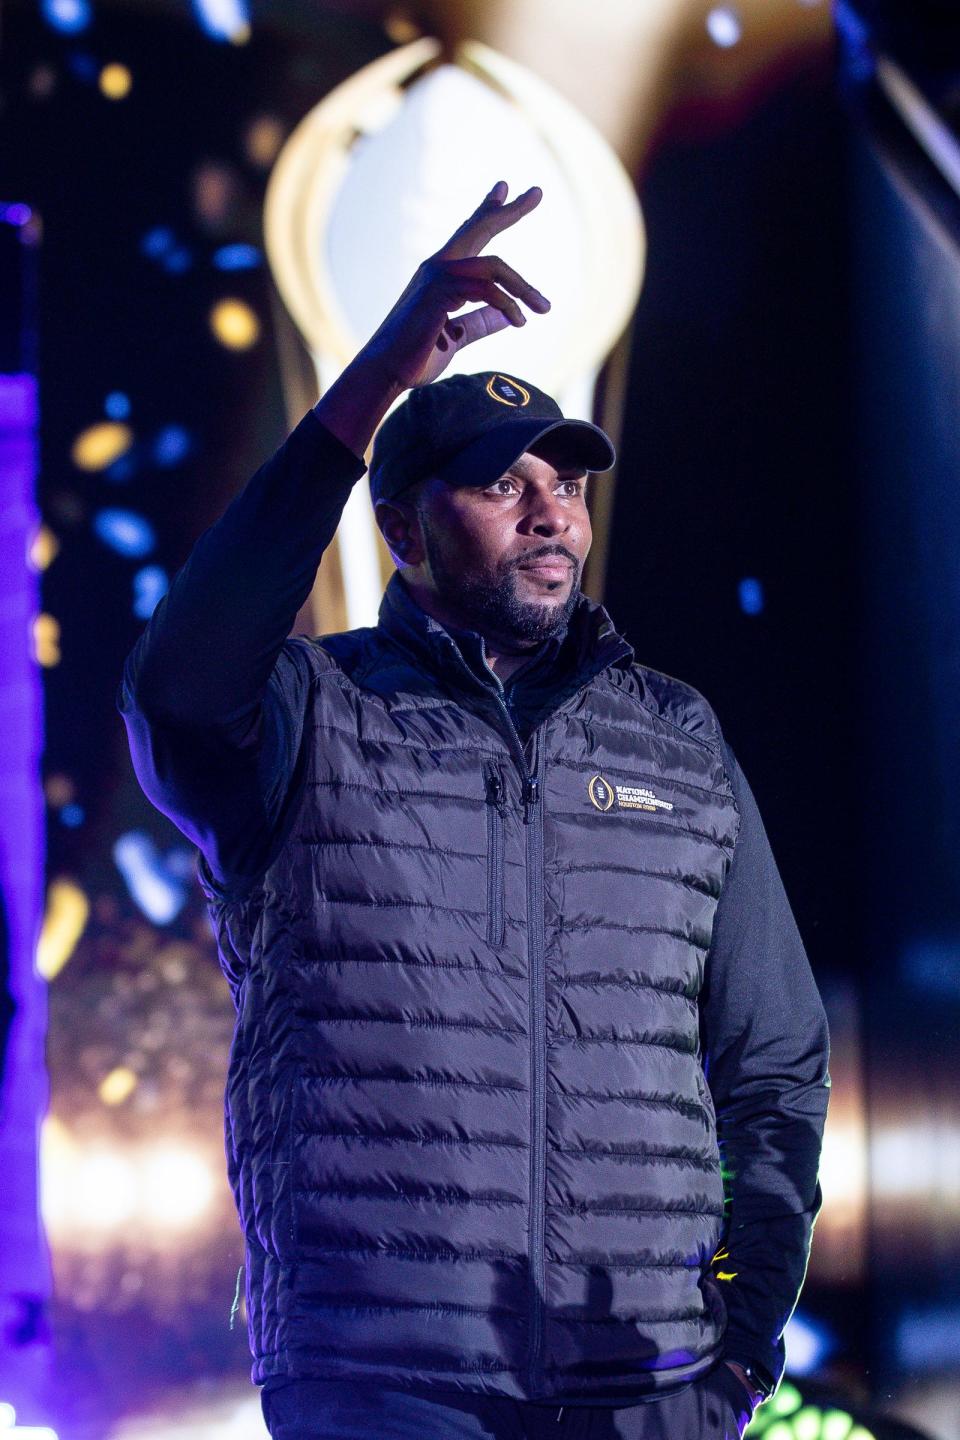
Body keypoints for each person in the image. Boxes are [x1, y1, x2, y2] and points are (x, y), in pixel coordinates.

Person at [118, 180, 831, 1439]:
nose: (551, 508)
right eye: (504, 484)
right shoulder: (306, 713)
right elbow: (175, 684)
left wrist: (737, 1348)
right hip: (387, 1386)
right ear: (400, 526)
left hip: (652, 1389)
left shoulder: (676, 737)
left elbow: (773, 1061)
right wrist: (368, 392)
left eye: (566, 481)